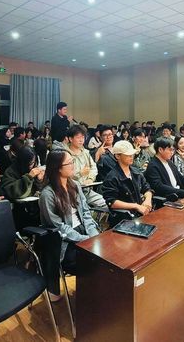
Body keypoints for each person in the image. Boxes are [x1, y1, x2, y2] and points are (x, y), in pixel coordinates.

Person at [39, 150, 99, 300]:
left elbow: (86, 213)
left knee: (105, 256)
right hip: (64, 240)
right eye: (70, 163)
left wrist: (93, 234)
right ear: (58, 168)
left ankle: (97, 294)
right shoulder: (48, 194)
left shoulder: (75, 185)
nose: (73, 165)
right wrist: (84, 239)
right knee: (89, 262)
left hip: (83, 231)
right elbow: (58, 227)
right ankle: (91, 298)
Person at [100, 140, 155, 223]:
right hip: (124, 219)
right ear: (118, 156)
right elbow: (112, 202)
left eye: (132, 154)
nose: (131, 157)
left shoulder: (136, 172)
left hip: (141, 214)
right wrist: (135, 206)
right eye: (128, 155)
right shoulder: (112, 177)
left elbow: (147, 188)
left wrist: (148, 200)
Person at [66, 126, 106, 207]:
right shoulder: (65, 154)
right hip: (71, 192)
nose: (81, 140)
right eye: (78, 137)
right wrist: (80, 173)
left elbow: (93, 168)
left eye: (83, 137)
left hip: (86, 190)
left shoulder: (85, 152)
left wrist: (90, 179)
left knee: (105, 204)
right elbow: (64, 174)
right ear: (70, 139)